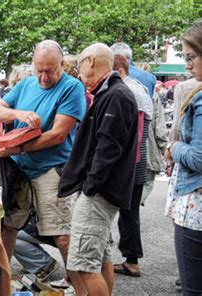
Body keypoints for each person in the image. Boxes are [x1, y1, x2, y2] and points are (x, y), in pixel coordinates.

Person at [0, 40, 87, 295]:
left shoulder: (72, 87)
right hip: (19, 172)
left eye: (50, 70)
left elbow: (57, 135)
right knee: (8, 227)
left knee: (63, 236)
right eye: (39, 69)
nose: (43, 76)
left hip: (50, 171)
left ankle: (78, 288)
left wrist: (17, 148)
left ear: (62, 65)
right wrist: (17, 114)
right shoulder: (26, 84)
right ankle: (1, 287)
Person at [58, 43, 139, 296]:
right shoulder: (112, 93)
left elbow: (108, 149)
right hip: (101, 191)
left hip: (99, 193)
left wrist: (90, 186)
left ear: (91, 61)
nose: (78, 69)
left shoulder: (115, 95)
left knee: (83, 266)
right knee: (98, 259)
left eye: (80, 62)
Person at [164, 20, 202, 296]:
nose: (187, 65)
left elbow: (199, 158)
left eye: (191, 57)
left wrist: (174, 148)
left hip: (196, 207)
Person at [111, 54, 153, 277]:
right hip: (136, 162)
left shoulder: (128, 91)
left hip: (130, 164)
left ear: (118, 70)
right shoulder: (139, 88)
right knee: (129, 214)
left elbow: (134, 135)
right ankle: (130, 259)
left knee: (127, 215)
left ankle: (131, 260)